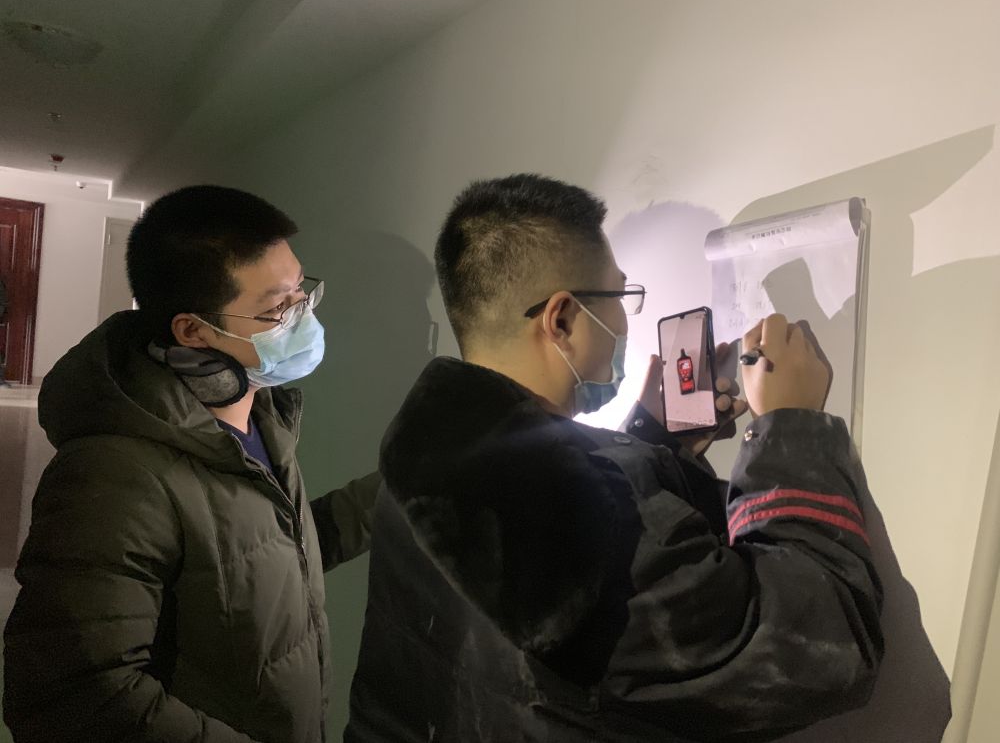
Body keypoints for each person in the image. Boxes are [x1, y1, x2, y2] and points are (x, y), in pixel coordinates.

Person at [345, 173, 883, 742]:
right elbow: (822, 647)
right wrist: (790, 428)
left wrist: (653, 443)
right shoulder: (592, 527)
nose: (626, 322)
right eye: (620, 297)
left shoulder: (421, 460)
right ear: (561, 320)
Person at [3, 186, 380, 742]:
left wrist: (402, 489)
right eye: (279, 308)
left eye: (303, 291)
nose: (303, 317)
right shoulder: (113, 474)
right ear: (194, 331)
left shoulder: (261, 420)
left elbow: (266, 555)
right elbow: (74, 696)